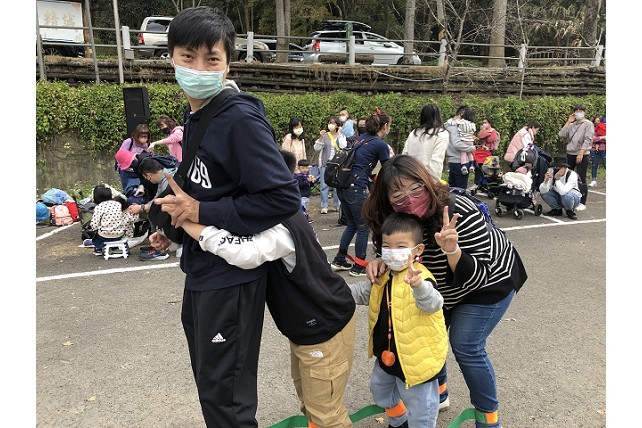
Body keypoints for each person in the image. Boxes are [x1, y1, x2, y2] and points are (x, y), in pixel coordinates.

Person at [148, 7, 301, 427]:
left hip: (231, 277)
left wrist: (200, 211)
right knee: (212, 388)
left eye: (211, 59)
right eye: (188, 56)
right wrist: (176, 230)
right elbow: (210, 186)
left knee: (227, 400)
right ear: (171, 58)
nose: (199, 69)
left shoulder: (238, 118)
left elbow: (283, 197)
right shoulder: (198, 114)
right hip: (202, 267)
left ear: (228, 63)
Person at [363, 154, 528, 428]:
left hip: (487, 282)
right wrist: (382, 260)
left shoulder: (458, 210)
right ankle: (438, 395)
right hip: (436, 288)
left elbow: (476, 277)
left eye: (415, 188)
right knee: (429, 335)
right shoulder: (391, 218)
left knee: (466, 344)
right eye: (398, 194)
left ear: (427, 183)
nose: (409, 198)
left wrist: (452, 250)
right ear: (387, 199)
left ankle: (488, 419)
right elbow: (393, 252)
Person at [178, 209, 357, 428]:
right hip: (309, 328)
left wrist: (185, 220)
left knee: (326, 414)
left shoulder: (280, 225)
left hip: (326, 328)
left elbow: (243, 252)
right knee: (312, 405)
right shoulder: (280, 211)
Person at [349, 212, 447, 428]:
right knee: (379, 389)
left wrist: (419, 287)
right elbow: (363, 292)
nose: (393, 252)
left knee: (421, 408)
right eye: (387, 246)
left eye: (401, 247)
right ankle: (399, 420)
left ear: (418, 250)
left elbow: (433, 304)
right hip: (387, 353)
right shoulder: (384, 275)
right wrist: (332, 291)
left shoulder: (421, 278)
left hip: (416, 359)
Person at [330, 108, 391, 277]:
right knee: (363, 227)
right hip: (356, 188)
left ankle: (339, 260)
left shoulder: (359, 139)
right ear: (384, 126)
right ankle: (359, 266)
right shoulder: (380, 144)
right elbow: (388, 169)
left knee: (352, 224)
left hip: (343, 186)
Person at [130, 156, 179, 260]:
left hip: (176, 210)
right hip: (176, 207)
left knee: (156, 213)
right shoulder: (165, 176)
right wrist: (143, 207)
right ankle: (156, 243)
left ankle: (160, 249)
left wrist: (141, 207)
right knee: (153, 210)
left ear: (148, 175)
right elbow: (157, 198)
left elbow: (161, 201)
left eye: (146, 178)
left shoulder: (168, 179)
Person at [401, 103, 449, 181]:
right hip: (427, 179)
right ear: (438, 116)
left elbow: (405, 155)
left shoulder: (414, 133)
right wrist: (433, 182)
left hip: (410, 177)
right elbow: (436, 161)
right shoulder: (441, 133)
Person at [559, 105, 593, 211]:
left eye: (581, 111)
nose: (578, 113)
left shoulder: (588, 124)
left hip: (582, 153)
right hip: (570, 153)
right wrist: (568, 122)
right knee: (567, 176)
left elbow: (588, 139)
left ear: (584, 112)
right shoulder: (572, 125)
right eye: (576, 111)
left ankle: (582, 202)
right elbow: (561, 134)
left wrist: (581, 153)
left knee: (581, 177)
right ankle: (568, 199)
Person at [89, 184, 139, 257]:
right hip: (119, 234)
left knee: (96, 237)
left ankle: (99, 249)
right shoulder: (118, 204)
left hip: (105, 235)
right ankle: (121, 248)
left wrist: (95, 229)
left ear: (96, 197)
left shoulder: (99, 207)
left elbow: (94, 224)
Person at [314, 116, 346, 214]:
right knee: (324, 185)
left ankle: (337, 205)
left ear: (337, 125)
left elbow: (343, 146)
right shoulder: (325, 135)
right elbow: (316, 148)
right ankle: (324, 206)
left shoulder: (341, 136)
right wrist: (320, 137)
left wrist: (339, 134)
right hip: (325, 163)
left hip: (337, 164)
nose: (330, 125)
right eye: (329, 123)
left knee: (337, 185)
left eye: (333, 123)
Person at [445, 106, 477, 189]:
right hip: (461, 162)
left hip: (452, 160)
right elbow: (457, 144)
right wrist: (471, 148)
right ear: (462, 113)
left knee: (452, 189)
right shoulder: (456, 126)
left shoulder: (448, 124)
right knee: (460, 190)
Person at [473, 117, 501, 186]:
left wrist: (485, 133)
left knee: (485, 168)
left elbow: (490, 140)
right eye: (483, 123)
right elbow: (480, 137)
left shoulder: (493, 131)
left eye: (485, 123)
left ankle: (485, 183)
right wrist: (485, 132)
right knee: (478, 167)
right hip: (480, 151)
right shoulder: (483, 131)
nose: (484, 124)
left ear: (489, 123)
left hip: (488, 152)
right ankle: (477, 182)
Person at [294, 159, 315, 223]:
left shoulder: (307, 175)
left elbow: (310, 185)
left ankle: (305, 217)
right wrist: (307, 181)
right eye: (303, 168)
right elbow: (300, 185)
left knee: (305, 207)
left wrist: (312, 181)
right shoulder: (298, 176)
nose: (305, 170)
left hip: (306, 195)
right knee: (302, 208)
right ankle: (303, 219)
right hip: (301, 195)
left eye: (306, 168)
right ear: (298, 168)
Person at [589, 115, 606, 187]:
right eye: (595, 121)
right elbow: (592, 139)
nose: (597, 122)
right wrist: (602, 138)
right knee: (594, 164)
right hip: (593, 149)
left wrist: (599, 139)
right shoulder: (591, 129)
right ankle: (593, 180)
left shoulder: (604, 128)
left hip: (603, 148)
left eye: (598, 121)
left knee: (605, 164)